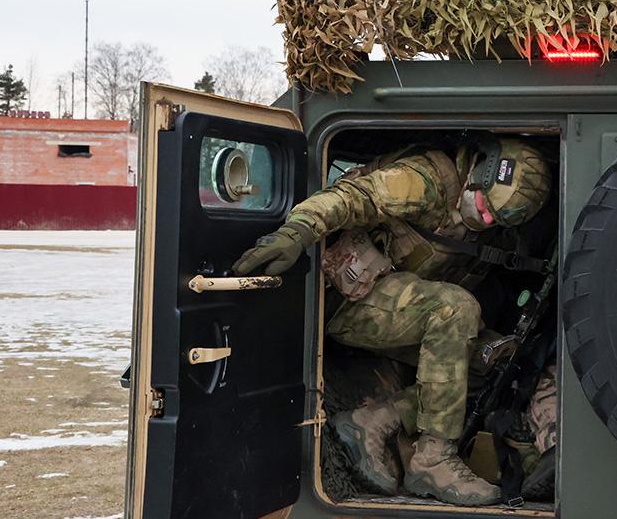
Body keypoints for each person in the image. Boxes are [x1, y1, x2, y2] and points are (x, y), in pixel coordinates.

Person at [233, 139, 552, 506]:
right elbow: (355, 196)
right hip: (344, 299)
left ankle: (375, 420)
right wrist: (299, 229)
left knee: (493, 360)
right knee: (454, 309)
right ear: (478, 171)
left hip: (397, 309)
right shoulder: (427, 181)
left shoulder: (487, 223)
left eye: (496, 218)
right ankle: (432, 459)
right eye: (484, 206)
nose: (485, 219)